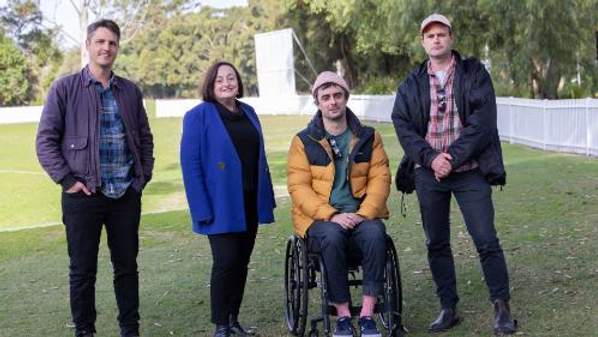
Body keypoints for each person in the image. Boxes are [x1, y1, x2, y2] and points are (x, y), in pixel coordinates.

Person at [391, 13, 517, 335]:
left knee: (486, 239)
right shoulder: (411, 83)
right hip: (427, 173)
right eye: (430, 35)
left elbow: (483, 122)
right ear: (423, 42)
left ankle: (502, 307)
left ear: (451, 38)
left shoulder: (475, 74)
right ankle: (448, 307)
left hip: (470, 171)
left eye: (441, 34)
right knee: (436, 243)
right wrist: (432, 159)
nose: (436, 39)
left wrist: (452, 157)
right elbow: (403, 126)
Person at [35, 19, 153, 337]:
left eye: (112, 42)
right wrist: (67, 180)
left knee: (127, 268)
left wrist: (141, 179)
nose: (106, 47)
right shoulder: (65, 88)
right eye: (100, 41)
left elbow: (144, 137)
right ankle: (85, 331)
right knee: (83, 271)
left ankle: (130, 328)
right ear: (88, 45)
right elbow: (45, 141)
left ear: (117, 48)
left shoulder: (129, 91)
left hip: (125, 194)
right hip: (82, 196)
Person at [287, 71, 391, 337]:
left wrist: (364, 213)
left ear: (345, 98)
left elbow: (380, 178)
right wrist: (331, 215)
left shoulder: (369, 137)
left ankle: (368, 314)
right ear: (318, 102)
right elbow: (299, 188)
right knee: (331, 237)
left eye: (337, 96)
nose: (332, 101)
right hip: (320, 219)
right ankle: (343, 316)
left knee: (376, 232)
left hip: (360, 215)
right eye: (326, 97)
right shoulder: (303, 141)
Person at [180, 61, 276, 337]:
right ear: (210, 84)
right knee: (225, 261)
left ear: (238, 82)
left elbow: (260, 158)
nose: (226, 83)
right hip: (220, 203)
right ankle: (221, 325)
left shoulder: (249, 112)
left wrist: (266, 197)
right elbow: (191, 164)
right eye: (219, 79)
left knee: (241, 262)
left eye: (231, 78)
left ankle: (234, 320)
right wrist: (200, 208)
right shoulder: (197, 116)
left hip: (249, 200)